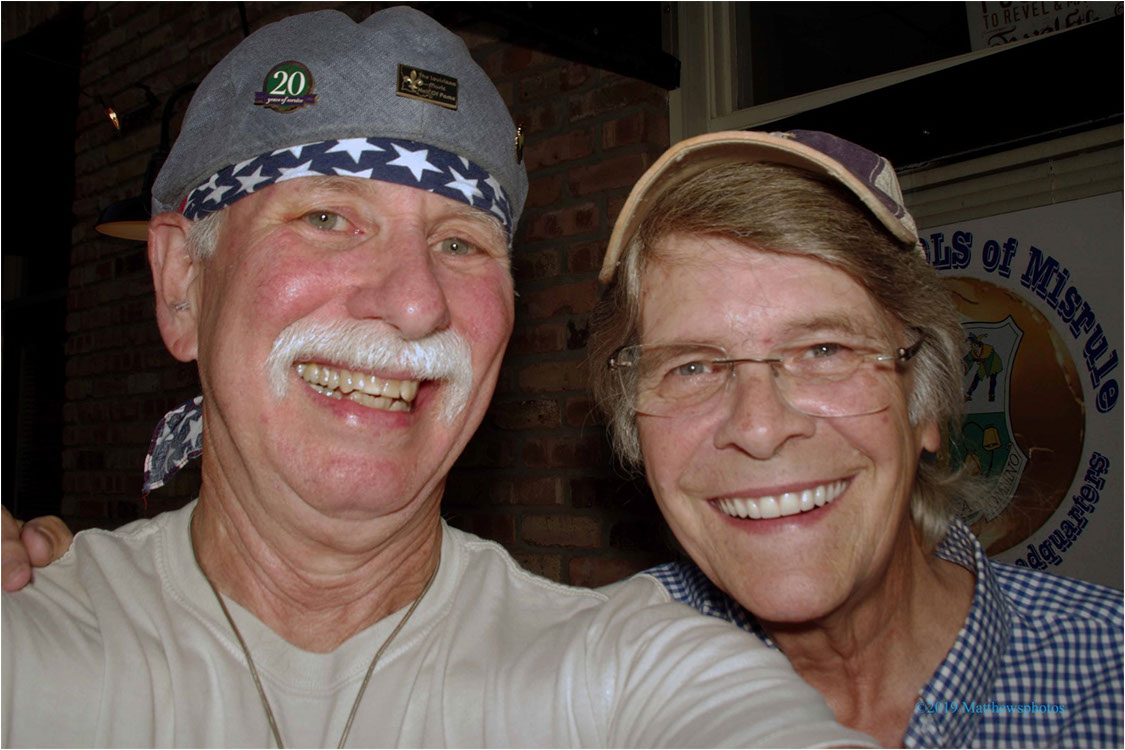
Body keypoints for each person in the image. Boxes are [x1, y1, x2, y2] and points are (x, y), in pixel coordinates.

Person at [0, 13, 875, 747]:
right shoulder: (31, 649)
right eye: (327, 217)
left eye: (460, 242)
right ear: (183, 285)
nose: (417, 303)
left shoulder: (628, 675)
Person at [589, 129, 1125, 748]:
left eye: (825, 349)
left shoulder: (1107, 677)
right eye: (693, 366)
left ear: (924, 404)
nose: (759, 429)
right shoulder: (581, 688)